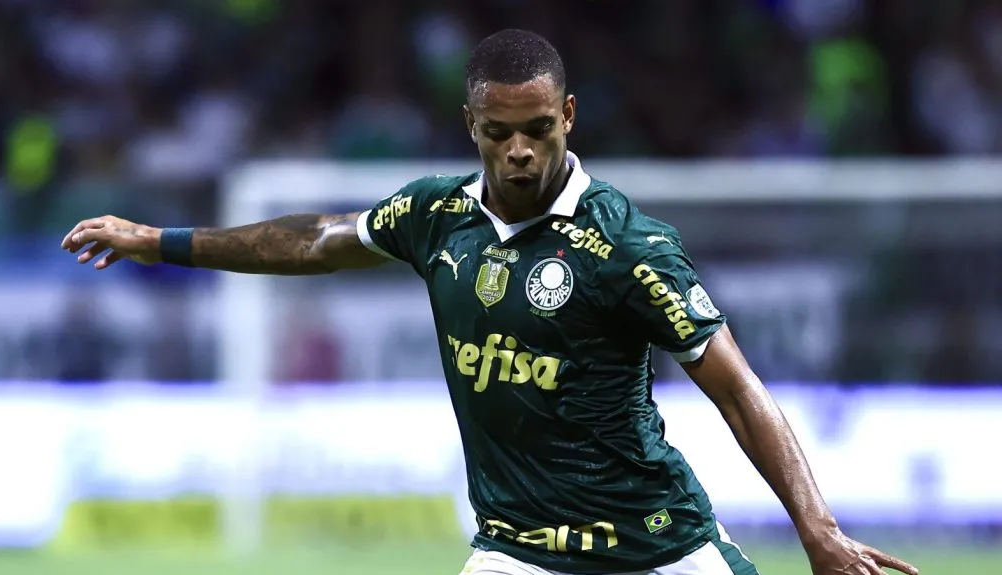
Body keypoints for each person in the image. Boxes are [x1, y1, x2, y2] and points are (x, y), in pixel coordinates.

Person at [62, 29, 918, 575]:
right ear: (469, 123)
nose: (517, 151)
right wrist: (157, 239)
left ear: (569, 118)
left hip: (655, 545)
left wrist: (818, 527)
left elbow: (736, 387)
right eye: (497, 131)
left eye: (536, 129)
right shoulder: (436, 216)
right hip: (516, 551)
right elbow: (314, 240)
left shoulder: (625, 245)